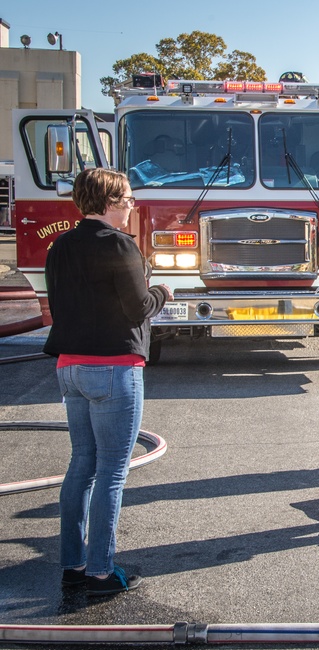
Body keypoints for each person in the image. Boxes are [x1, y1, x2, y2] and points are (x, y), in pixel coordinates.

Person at [43, 168, 172, 596]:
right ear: (111, 202)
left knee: (81, 465)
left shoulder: (60, 245)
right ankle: (101, 571)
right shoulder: (121, 245)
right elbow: (138, 308)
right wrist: (163, 293)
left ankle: (72, 565)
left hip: (70, 367)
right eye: (128, 199)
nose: (132, 205)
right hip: (114, 366)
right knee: (112, 473)